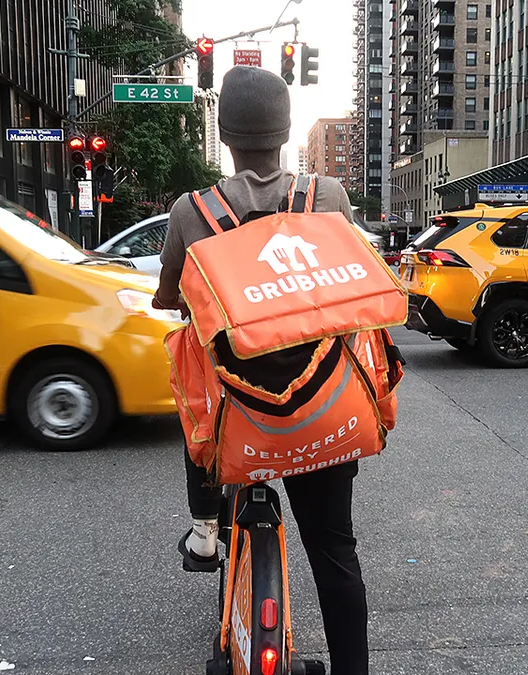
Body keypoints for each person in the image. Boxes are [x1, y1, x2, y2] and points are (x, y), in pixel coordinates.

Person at [153, 66, 368, 675]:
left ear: (224, 135)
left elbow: (171, 296)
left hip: (239, 417)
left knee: (194, 392)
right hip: (323, 414)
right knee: (335, 550)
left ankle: (206, 527)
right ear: (285, 130)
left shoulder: (190, 211)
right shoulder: (327, 197)